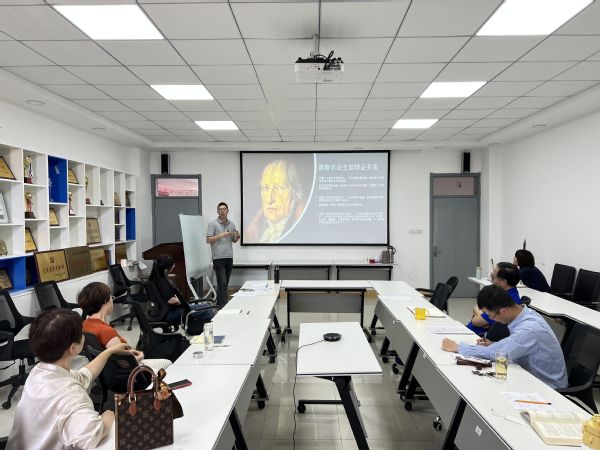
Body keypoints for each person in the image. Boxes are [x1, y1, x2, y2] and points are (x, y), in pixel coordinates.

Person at [7, 309, 131, 449]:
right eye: (81, 333)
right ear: (73, 348)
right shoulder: (72, 396)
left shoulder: (39, 372)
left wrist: (109, 352)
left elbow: (84, 375)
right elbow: (91, 436)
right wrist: (109, 415)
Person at [442, 285, 568, 389]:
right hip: (528, 375)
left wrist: (458, 347)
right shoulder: (525, 314)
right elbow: (512, 346)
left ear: (503, 311)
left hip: (547, 387)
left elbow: (494, 353)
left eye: (490, 315)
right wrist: (495, 345)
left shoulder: (529, 328)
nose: (491, 319)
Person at [78, 281, 171, 372]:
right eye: (111, 297)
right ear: (105, 301)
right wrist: (141, 356)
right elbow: (125, 363)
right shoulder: (106, 331)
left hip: (106, 372)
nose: (112, 300)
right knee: (167, 363)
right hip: (131, 373)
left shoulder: (85, 324)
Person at [149, 254, 216, 333]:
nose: (174, 266)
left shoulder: (154, 280)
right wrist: (182, 302)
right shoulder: (162, 282)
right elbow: (171, 300)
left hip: (162, 313)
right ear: (166, 269)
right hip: (171, 313)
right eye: (172, 265)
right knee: (208, 309)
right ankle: (209, 333)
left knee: (207, 306)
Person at [244, 159, 306, 243]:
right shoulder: (255, 230)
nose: (269, 199)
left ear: (296, 194)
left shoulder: (300, 230)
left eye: (279, 188)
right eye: (265, 188)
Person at [467, 262, 522, 335]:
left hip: (478, 336)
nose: (491, 275)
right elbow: (478, 307)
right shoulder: (500, 293)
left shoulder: (504, 300)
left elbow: (475, 321)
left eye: (493, 276)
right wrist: (482, 314)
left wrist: (478, 313)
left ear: (503, 282)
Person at [206, 202, 240, 307]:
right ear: (217, 211)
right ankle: (223, 305)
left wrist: (237, 236)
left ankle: (220, 302)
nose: (222, 211)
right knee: (222, 282)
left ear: (227, 211)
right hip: (218, 258)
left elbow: (234, 240)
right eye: (220, 209)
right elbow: (208, 240)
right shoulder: (213, 224)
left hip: (229, 257)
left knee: (225, 283)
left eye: (224, 209)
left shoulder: (231, 224)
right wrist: (221, 235)